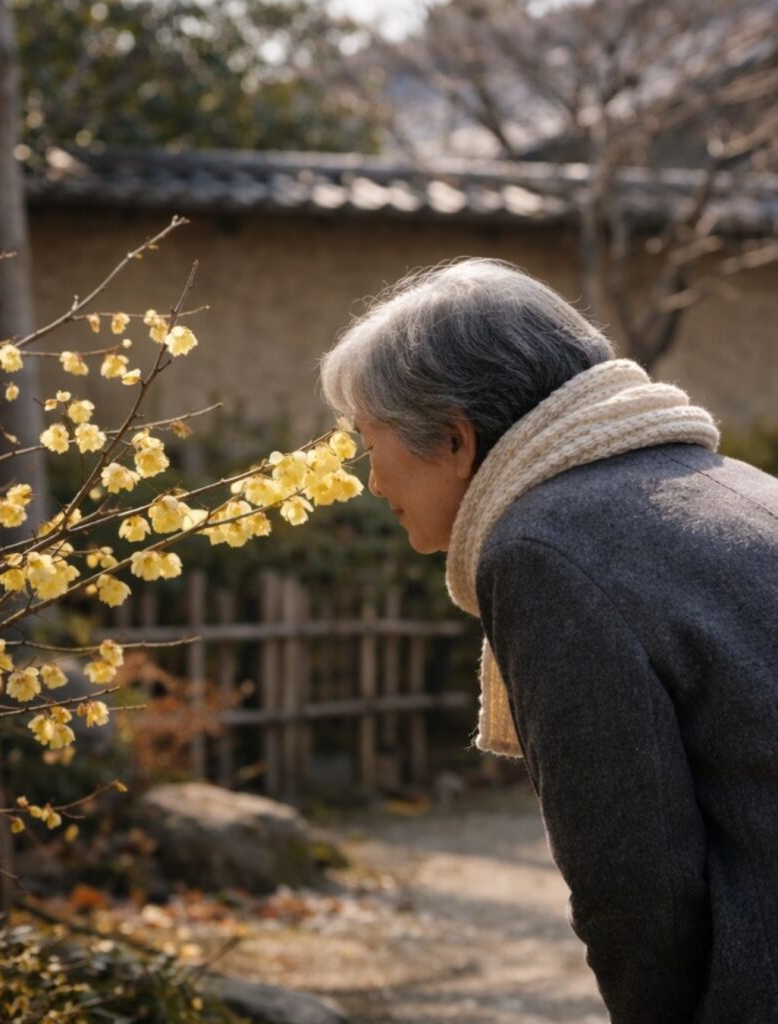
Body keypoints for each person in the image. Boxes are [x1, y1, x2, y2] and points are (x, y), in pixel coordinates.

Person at [319, 258, 778, 1024]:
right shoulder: (738, 484)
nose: (372, 482)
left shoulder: (543, 546)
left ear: (456, 440)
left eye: (370, 443)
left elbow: (633, 878)